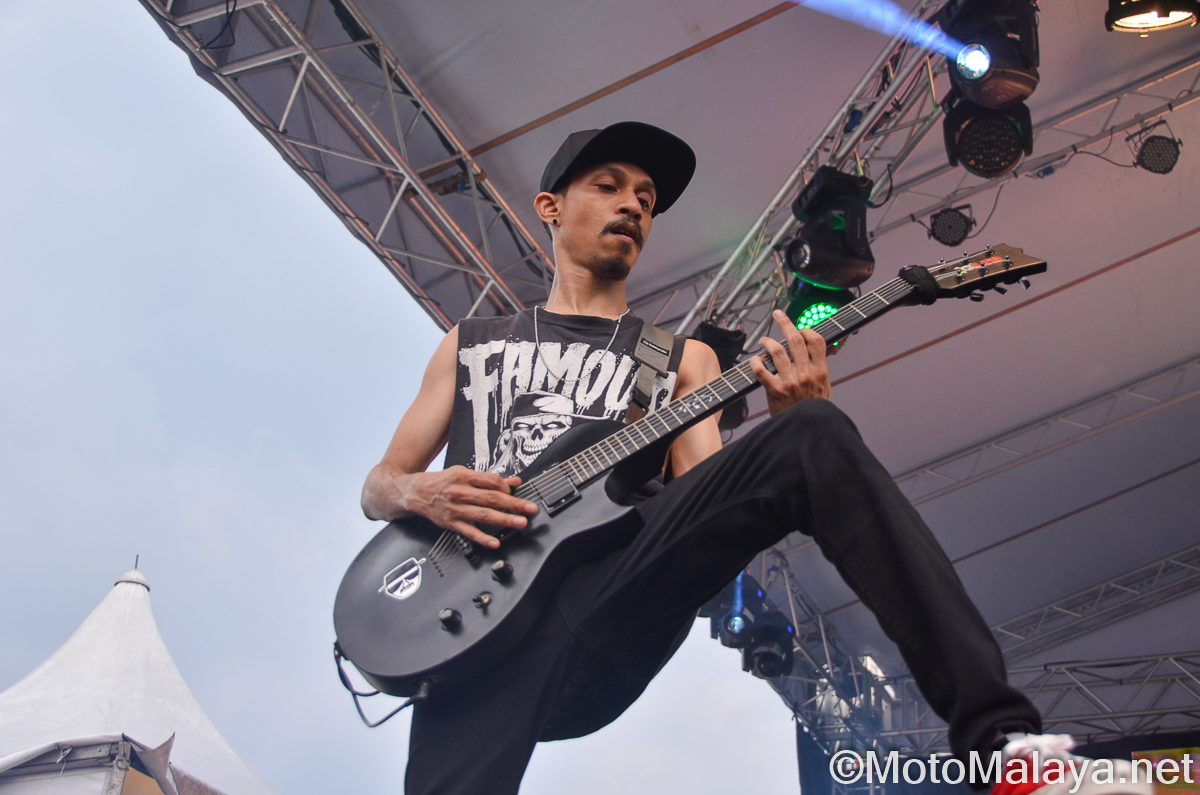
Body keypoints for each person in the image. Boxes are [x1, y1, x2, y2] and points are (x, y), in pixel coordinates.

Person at [360, 122, 1147, 795]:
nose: (634, 204)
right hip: (472, 628)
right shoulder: (471, 344)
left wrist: (793, 426)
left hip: (607, 592)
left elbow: (709, 507)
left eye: (647, 198)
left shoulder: (679, 361)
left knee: (814, 433)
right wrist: (421, 494)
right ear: (551, 206)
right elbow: (380, 484)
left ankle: (1007, 746)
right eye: (609, 186)